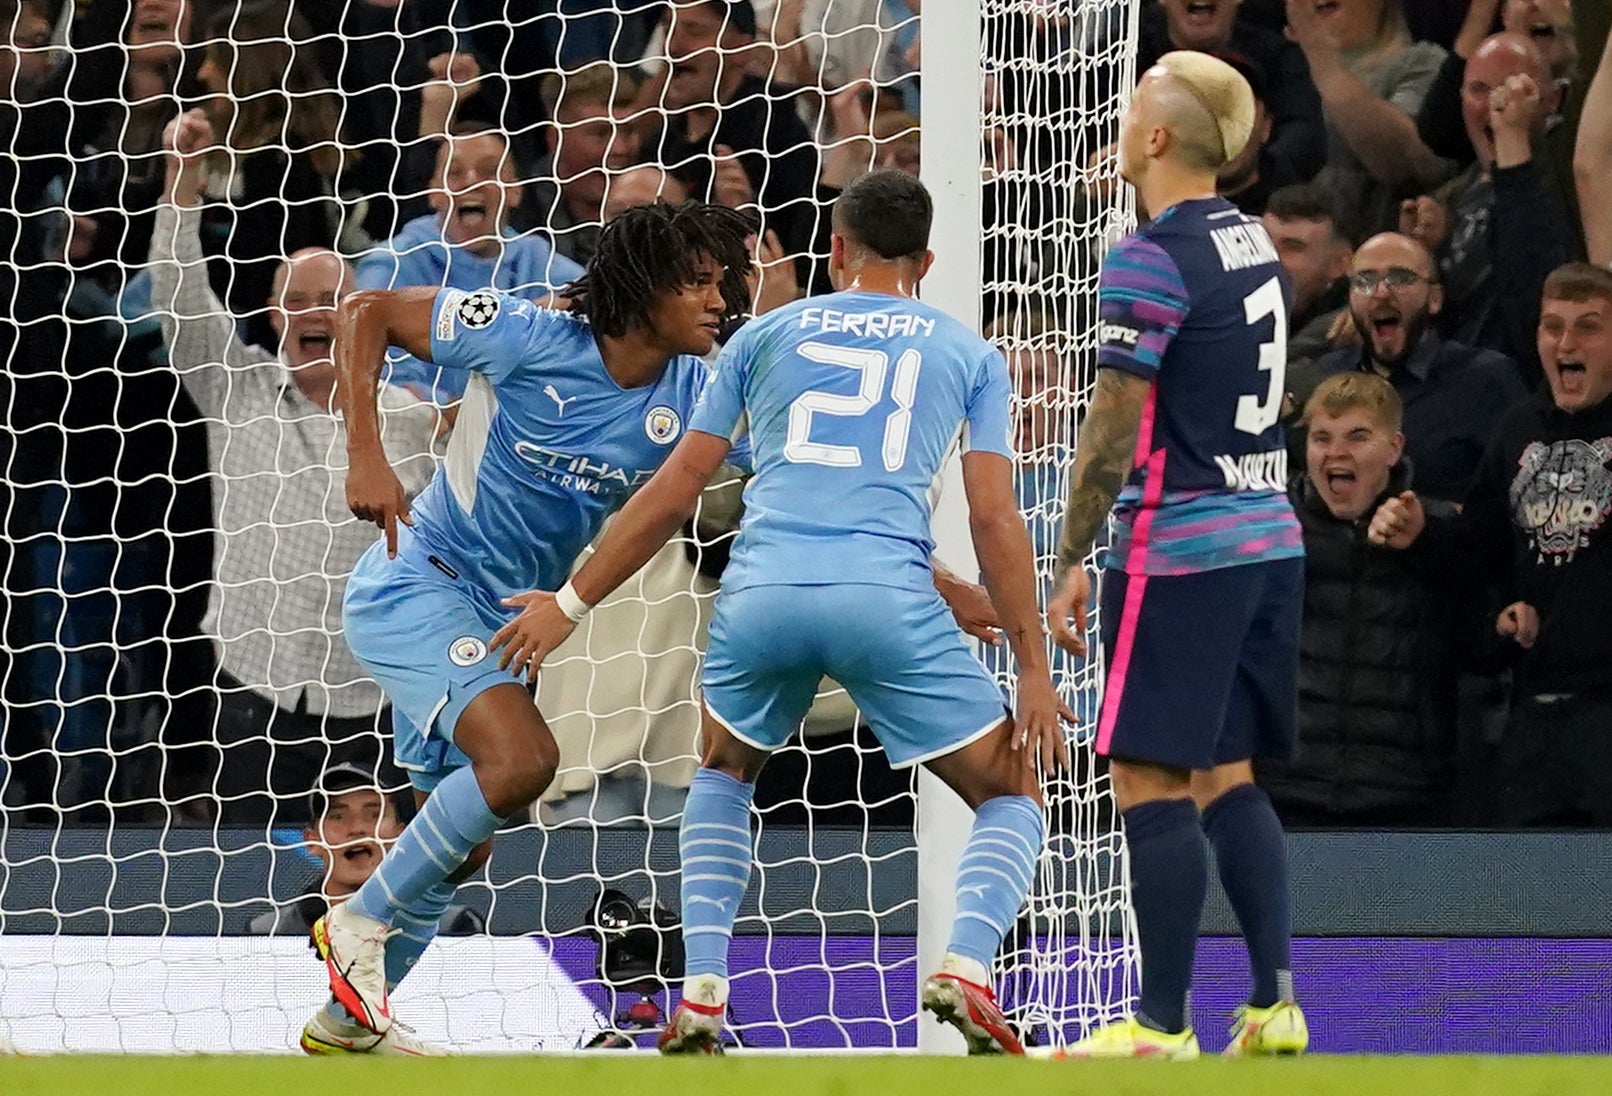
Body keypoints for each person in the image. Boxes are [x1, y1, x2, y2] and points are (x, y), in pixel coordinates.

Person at [494, 169, 1070, 1056]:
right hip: (885, 597)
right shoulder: (969, 353)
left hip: (762, 593)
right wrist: (1030, 666)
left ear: (835, 249)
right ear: (928, 260)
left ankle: (704, 993)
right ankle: (966, 967)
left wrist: (572, 603)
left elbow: (679, 485)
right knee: (1013, 791)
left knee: (724, 773)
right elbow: (993, 513)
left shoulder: (763, 335)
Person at [301, 198, 756, 1056]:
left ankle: (349, 1021)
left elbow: (797, 467)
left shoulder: (700, 392)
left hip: (506, 626)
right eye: (698, 282)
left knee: (463, 847)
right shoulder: (525, 334)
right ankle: (355, 921)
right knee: (525, 762)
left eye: (721, 281)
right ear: (644, 287)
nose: (719, 299)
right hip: (419, 582)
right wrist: (367, 451)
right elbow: (365, 310)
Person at [1044, 52, 1308, 1059]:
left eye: (1128, 115)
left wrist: (1070, 552)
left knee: (1147, 779)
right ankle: (1275, 1002)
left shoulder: (1147, 254)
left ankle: (1158, 1024)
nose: (1118, 128)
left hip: (1182, 544)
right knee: (1226, 773)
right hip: (1267, 535)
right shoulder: (1251, 239)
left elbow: (1115, 422)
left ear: (1156, 139)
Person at [149, 108, 439, 826]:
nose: (315, 312)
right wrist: (183, 179)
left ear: (360, 317)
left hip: (369, 697)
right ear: (275, 316)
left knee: (366, 897)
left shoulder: (411, 419)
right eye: (298, 301)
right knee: (246, 888)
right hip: (252, 688)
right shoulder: (232, 386)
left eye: (332, 301)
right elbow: (178, 293)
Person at [1368, 262, 1612, 827]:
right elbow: (1476, 549)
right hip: (1535, 714)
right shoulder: (1518, 427)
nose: (1566, 342)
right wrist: (1420, 534)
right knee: (1525, 903)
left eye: (1589, 327)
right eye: (1552, 327)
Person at [1260, 374, 1466, 826]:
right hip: (1285, 790)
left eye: (1357, 437)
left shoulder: (1439, 529)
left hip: (1404, 799)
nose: (1336, 452)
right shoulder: (1270, 524)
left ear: (1394, 449)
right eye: (1321, 438)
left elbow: (1484, 641)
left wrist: (1424, 544)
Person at [355, 123, 584, 407]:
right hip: (424, 435)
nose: (471, 181)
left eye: (489, 171)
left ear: (515, 192)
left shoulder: (551, 271)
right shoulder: (391, 266)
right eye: (455, 173)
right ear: (434, 193)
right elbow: (381, 379)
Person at [1307, 232, 1525, 504]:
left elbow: (1521, 498)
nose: (1381, 292)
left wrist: (1432, 520)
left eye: (1401, 278)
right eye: (1364, 281)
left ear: (1434, 298)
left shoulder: (1485, 378)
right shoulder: (1327, 376)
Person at [248, 762, 484, 938]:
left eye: (374, 814)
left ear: (402, 836)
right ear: (312, 840)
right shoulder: (269, 933)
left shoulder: (454, 926)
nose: (357, 828)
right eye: (338, 816)